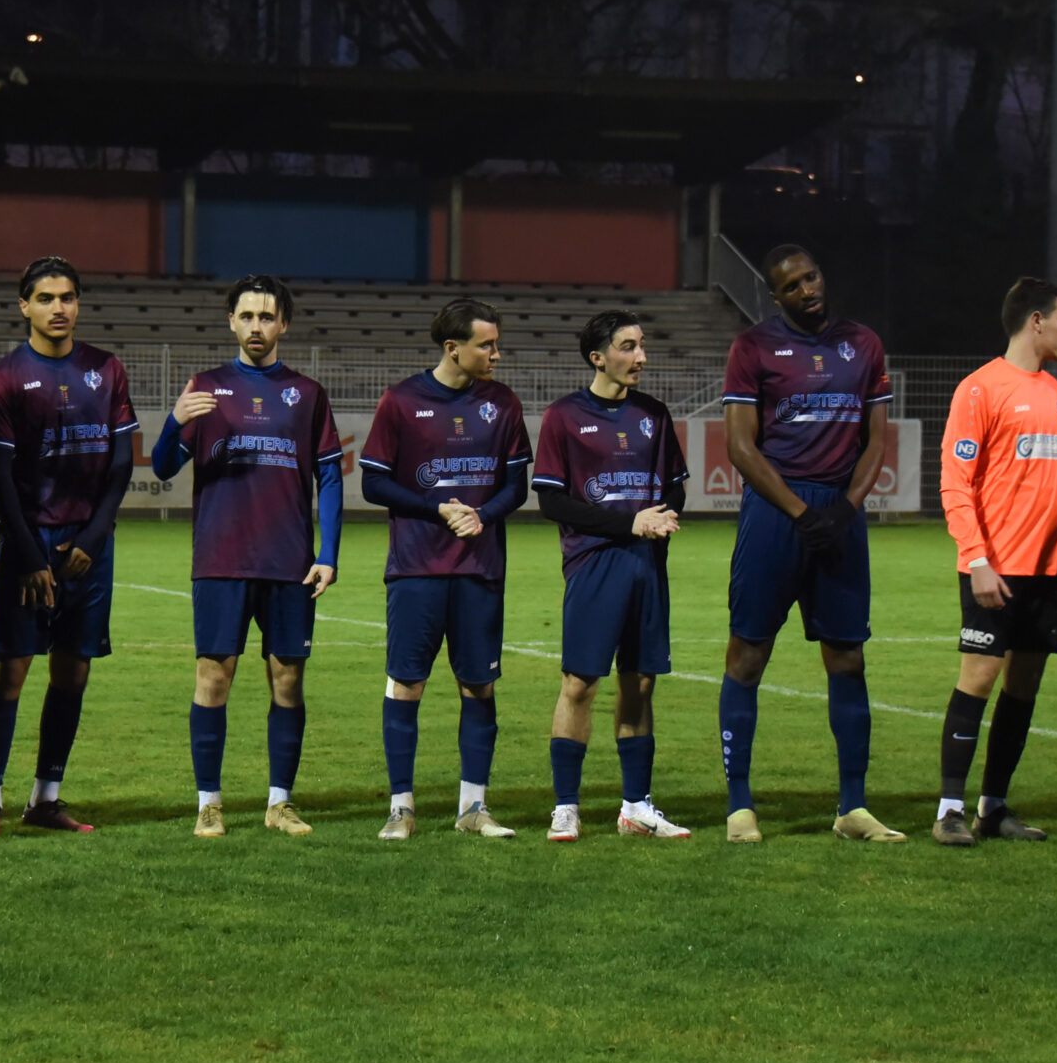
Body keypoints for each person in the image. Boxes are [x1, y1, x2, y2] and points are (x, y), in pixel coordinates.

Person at [716, 245, 904, 844]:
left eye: (813, 277)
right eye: (793, 285)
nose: (808, 290)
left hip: (839, 514)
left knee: (848, 657)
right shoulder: (752, 348)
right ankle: (740, 806)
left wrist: (845, 509)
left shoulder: (864, 344)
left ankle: (853, 807)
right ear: (775, 296)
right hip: (776, 514)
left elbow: (877, 441)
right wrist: (799, 513)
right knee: (748, 655)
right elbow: (740, 447)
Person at [149, 275, 343, 837]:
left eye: (267, 316)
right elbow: (162, 467)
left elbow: (329, 477)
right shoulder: (206, 388)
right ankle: (208, 803)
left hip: (289, 562)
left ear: (284, 324)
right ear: (231, 321)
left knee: (288, 680)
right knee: (213, 678)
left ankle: (280, 802)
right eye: (247, 315)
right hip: (221, 559)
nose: (257, 325)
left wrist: (328, 552)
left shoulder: (307, 394)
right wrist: (174, 421)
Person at [0, 255, 138, 835]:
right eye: (45, 298)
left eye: (67, 297)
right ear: (25, 306)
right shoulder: (5, 377)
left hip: (89, 545)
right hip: (29, 542)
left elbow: (122, 463)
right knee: (10, 673)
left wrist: (94, 536)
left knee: (72, 674)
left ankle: (46, 798)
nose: (58, 307)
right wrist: (28, 555)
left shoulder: (105, 369)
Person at [357, 298, 531, 839]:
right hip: (416, 569)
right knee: (406, 684)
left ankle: (473, 808)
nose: (496, 354)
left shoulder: (502, 403)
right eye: (486, 345)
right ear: (453, 348)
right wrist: (436, 508)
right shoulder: (402, 400)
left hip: (480, 570)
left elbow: (516, 486)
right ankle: (401, 808)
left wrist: (482, 516)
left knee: (478, 686)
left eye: (496, 344)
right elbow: (373, 483)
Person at [932, 277, 1057, 846]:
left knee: (1023, 687)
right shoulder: (980, 389)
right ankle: (949, 810)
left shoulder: (1053, 391)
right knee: (979, 678)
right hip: (996, 569)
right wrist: (977, 560)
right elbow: (955, 484)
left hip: (1047, 574)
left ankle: (993, 807)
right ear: (1035, 321)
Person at [533, 310, 690, 842]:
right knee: (580, 683)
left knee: (640, 682)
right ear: (598, 357)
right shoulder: (563, 416)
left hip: (646, 563)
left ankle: (636, 807)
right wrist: (630, 522)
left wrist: (666, 514)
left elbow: (675, 484)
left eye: (641, 345)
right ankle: (566, 807)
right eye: (628, 346)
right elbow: (552, 501)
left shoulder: (654, 414)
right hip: (594, 563)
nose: (640, 356)